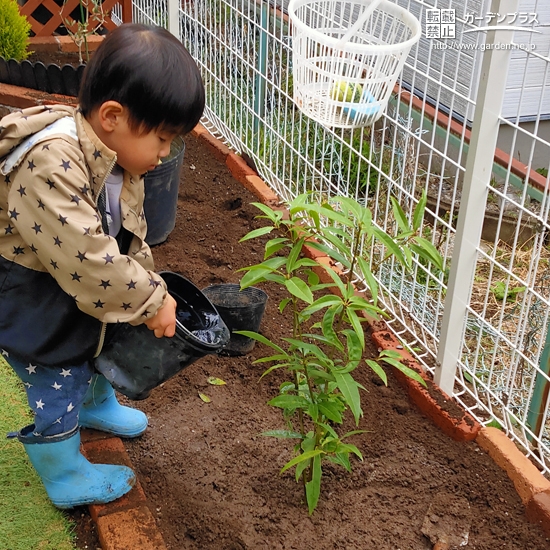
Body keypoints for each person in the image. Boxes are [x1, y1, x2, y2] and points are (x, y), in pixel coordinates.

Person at [0, 23, 205, 509]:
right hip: (33, 295)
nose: (164, 153)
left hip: (72, 284)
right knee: (57, 374)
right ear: (113, 115)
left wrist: (149, 280)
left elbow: (126, 235)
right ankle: (64, 472)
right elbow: (89, 257)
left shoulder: (115, 158)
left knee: (97, 339)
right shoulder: (51, 164)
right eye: (162, 138)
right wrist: (150, 299)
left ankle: (96, 405)